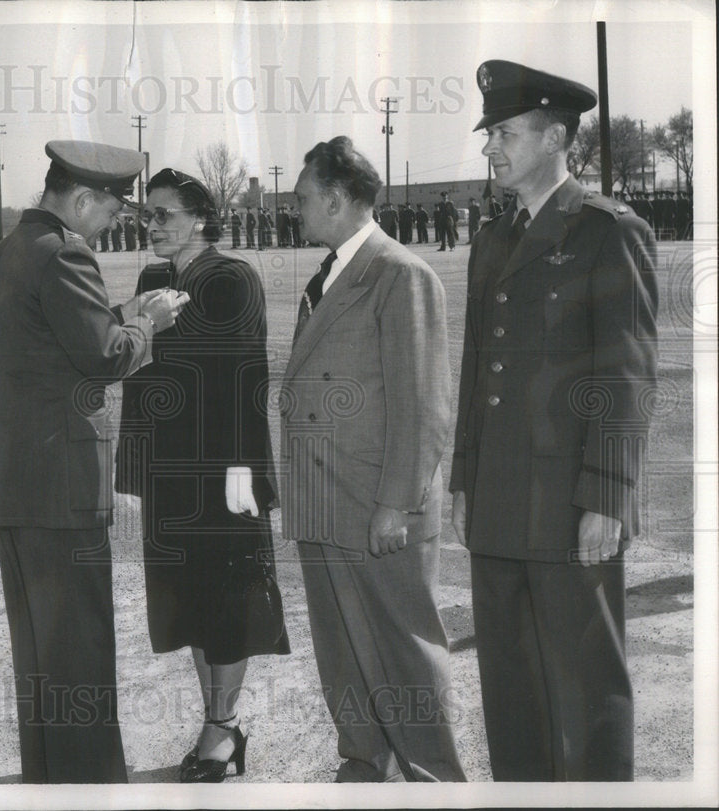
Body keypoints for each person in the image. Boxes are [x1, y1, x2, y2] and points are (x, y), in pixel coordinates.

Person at [451, 59, 659, 781]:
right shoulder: (491, 238)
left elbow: (626, 375)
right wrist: (463, 480)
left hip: (572, 500)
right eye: (490, 134)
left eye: (504, 132)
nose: (490, 147)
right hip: (500, 501)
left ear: (554, 137)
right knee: (508, 684)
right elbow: (478, 370)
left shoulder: (607, 232)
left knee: (585, 682)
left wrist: (607, 494)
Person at [0, 140, 188, 783]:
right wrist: (152, 324)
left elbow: (57, 337)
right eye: (114, 208)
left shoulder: (14, 247)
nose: (117, 221)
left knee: (39, 646)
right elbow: (104, 356)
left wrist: (124, 317)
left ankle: (49, 777)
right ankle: (91, 786)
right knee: (80, 647)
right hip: (60, 480)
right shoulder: (66, 251)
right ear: (82, 199)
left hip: (18, 475)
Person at [281, 136, 465, 783]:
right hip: (325, 500)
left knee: (404, 653)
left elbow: (424, 403)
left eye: (303, 198)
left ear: (335, 199)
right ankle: (364, 760)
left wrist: (397, 502)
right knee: (342, 649)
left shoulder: (399, 273)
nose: (294, 208)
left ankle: (434, 777)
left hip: (374, 505)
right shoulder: (329, 272)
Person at [117, 168, 289, 783]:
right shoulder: (154, 279)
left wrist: (244, 469)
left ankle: (221, 726)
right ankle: (217, 721)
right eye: (148, 215)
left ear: (200, 219)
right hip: (170, 473)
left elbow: (245, 378)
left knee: (230, 601)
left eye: (165, 214)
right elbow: (138, 378)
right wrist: (135, 470)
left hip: (222, 471)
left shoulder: (229, 277)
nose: (154, 226)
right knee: (188, 601)